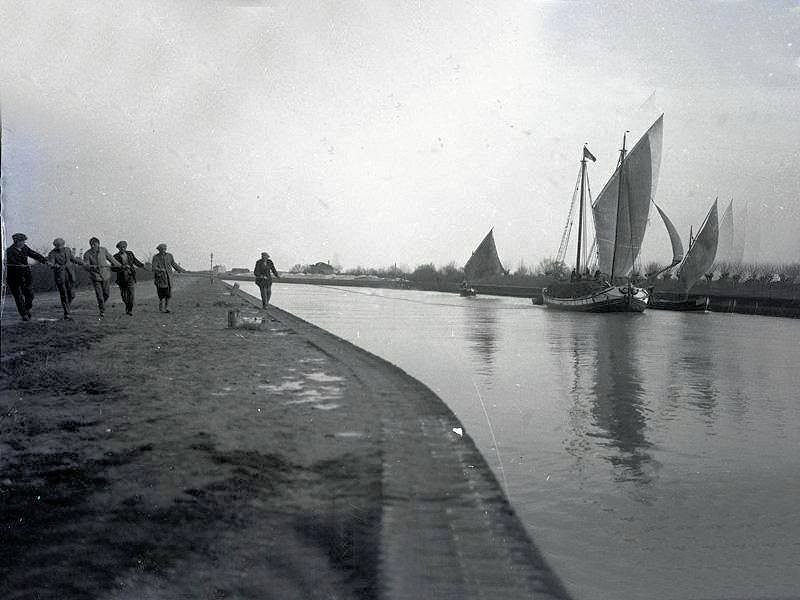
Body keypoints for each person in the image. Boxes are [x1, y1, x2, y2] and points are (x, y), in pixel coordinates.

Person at [5, 233, 47, 321]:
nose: (23, 243)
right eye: (22, 241)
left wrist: (44, 260)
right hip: (13, 277)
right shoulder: (9, 251)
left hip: (26, 276)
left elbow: (33, 254)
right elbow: (12, 261)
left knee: (30, 295)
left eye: (24, 241)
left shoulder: (25, 248)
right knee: (18, 296)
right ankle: (24, 314)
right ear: (16, 242)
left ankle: (26, 309)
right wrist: (20, 265)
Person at [83, 237, 121, 318]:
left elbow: (111, 259)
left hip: (106, 275)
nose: (93, 246)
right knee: (99, 295)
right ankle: (102, 310)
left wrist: (120, 265)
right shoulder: (87, 254)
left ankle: (102, 303)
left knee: (106, 294)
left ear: (98, 244)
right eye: (91, 245)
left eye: (95, 244)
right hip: (95, 277)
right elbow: (85, 265)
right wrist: (92, 267)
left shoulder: (103, 250)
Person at [47, 238, 84, 319]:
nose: (60, 247)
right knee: (63, 294)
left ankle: (67, 306)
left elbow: (73, 259)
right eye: (57, 246)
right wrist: (53, 265)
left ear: (63, 244)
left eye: (61, 246)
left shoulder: (67, 250)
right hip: (60, 276)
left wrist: (82, 263)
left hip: (70, 275)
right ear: (55, 246)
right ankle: (66, 313)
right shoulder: (52, 253)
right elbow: (51, 263)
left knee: (72, 295)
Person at [112, 241, 146, 316]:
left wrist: (143, 266)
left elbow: (135, 261)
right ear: (118, 248)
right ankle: (127, 305)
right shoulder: (115, 257)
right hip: (121, 278)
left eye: (124, 247)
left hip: (130, 276)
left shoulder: (130, 254)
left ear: (126, 247)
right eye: (121, 247)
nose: (122, 248)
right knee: (124, 295)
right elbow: (113, 268)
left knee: (131, 294)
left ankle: (129, 309)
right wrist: (121, 268)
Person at [151, 243, 187, 313]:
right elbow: (153, 268)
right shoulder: (156, 257)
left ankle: (167, 307)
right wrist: (160, 270)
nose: (163, 250)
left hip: (169, 278)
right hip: (160, 279)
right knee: (161, 295)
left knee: (168, 294)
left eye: (164, 249)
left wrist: (181, 269)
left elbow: (173, 264)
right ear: (159, 250)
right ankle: (161, 308)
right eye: (162, 249)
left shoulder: (169, 256)